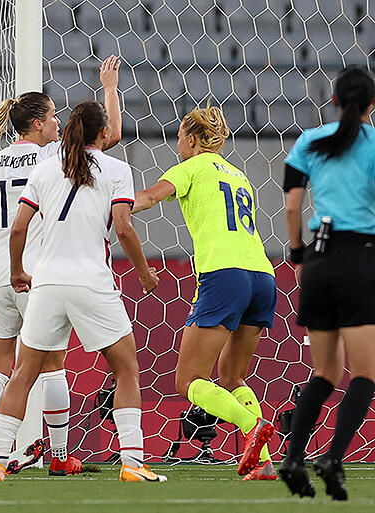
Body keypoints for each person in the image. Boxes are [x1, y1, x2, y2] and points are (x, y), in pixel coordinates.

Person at [0, 56, 123, 475]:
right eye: (54, 116)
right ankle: (59, 455)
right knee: (52, 365)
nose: (58, 123)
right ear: (38, 124)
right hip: (38, 274)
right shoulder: (55, 156)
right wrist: (109, 88)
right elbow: (108, 137)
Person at [0, 100, 166, 483]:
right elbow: (124, 228)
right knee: (126, 369)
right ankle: (133, 464)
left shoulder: (47, 168)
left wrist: (18, 270)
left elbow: (18, 228)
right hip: (91, 281)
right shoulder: (116, 169)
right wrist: (145, 274)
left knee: (23, 373)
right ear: (103, 133)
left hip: (47, 281)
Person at [132, 103, 277, 480]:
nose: (177, 145)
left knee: (188, 380)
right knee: (233, 377)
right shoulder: (239, 175)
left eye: (179, 138)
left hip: (224, 275)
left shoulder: (190, 167)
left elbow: (148, 197)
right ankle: (263, 460)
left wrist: (108, 204)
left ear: (192, 140)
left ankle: (250, 427)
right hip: (263, 275)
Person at [278, 66, 375, 501]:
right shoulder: (373, 147)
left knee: (324, 372)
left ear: (333, 100)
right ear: (372, 104)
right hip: (360, 257)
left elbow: (293, 207)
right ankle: (333, 457)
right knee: (366, 374)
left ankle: (294, 457)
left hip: (317, 255)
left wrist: (298, 254)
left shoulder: (309, 141)